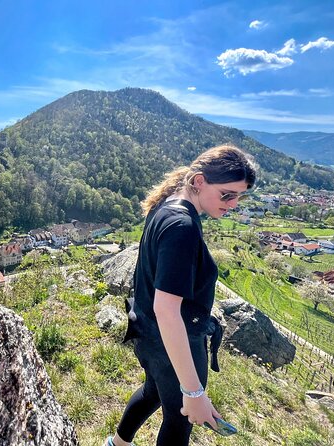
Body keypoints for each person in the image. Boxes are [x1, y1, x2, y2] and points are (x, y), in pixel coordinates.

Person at [104, 144, 257, 446]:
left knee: (153, 392)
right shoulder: (183, 226)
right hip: (173, 341)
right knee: (181, 419)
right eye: (227, 194)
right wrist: (194, 392)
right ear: (199, 182)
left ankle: (118, 444)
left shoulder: (168, 206)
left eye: (240, 195)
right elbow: (168, 310)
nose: (234, 203)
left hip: (146, 330)